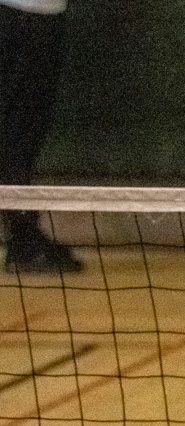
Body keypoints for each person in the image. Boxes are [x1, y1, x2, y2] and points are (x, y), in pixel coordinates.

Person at [1, 0, 82, 273]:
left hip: (38, 18)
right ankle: (24, 243)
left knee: (23, 132)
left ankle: (24, 237)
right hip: (22, 19)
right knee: (18, 133)